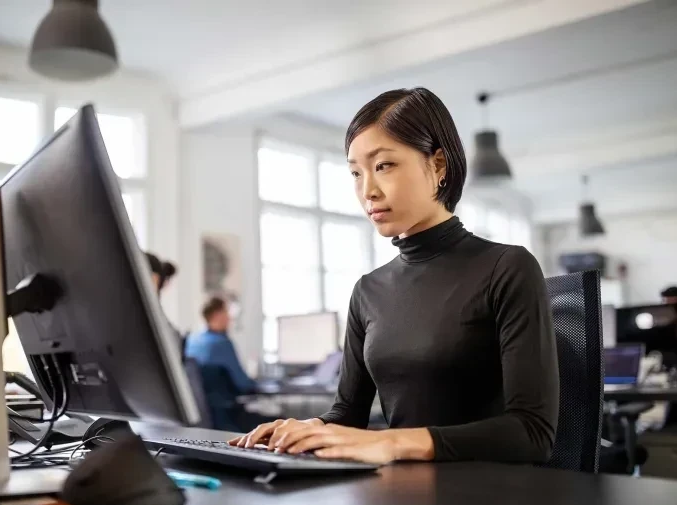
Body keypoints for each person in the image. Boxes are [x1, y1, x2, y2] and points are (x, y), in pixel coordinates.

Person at [231, 87, 559, 465]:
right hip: (401, 491)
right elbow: (348, 414)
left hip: (487, 493)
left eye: (383, 165)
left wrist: (392, 442)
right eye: (356, 172)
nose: (368, 190)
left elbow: (532, 433)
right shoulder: (368, 290)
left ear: (438, 166)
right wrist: (308, 428)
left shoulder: (507, 267)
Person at [187, 297, 265, 431]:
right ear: (218, 315)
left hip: (201, 416)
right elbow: (243, 384)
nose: (229, 318)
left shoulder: (192, 340)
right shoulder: (222, 343)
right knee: (279, 421)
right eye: (227, 313)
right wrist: (261, 385)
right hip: (226, 418)